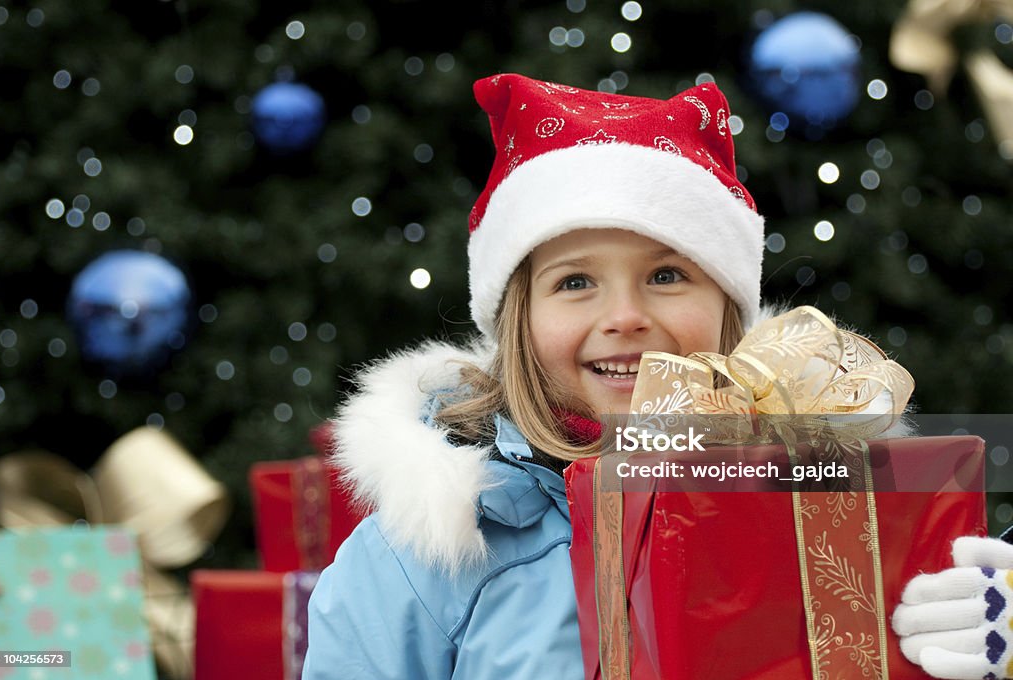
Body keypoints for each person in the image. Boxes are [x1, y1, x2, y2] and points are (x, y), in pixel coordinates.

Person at [301, 73, 1009, 680]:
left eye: (668, 275)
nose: (626, 316)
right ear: (516, 321)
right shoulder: (428, 552)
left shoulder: (837, 506)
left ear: (730, 312)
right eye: (575, 281)